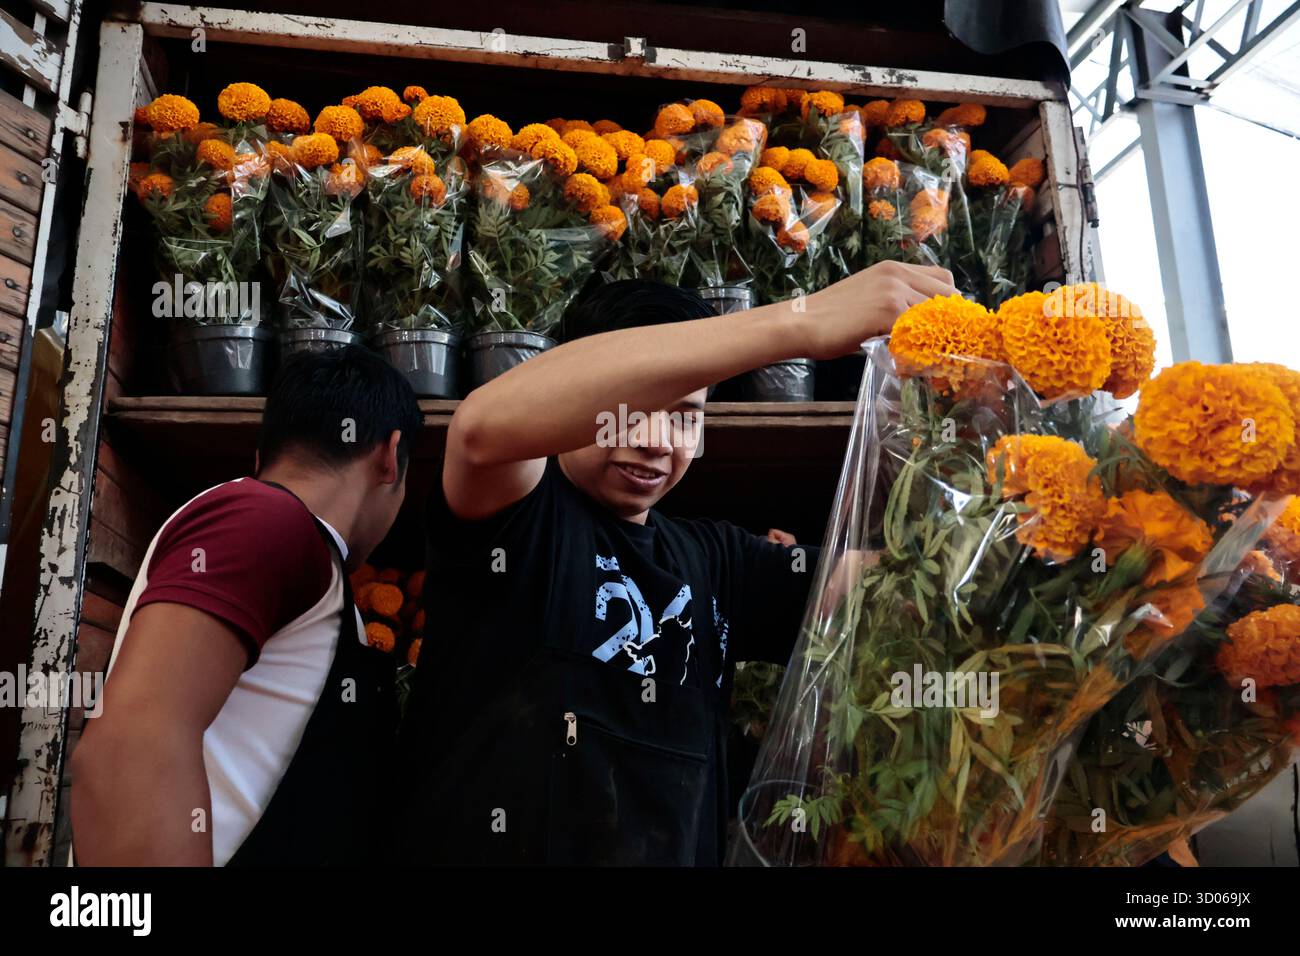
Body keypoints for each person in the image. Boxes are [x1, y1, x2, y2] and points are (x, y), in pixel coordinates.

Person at [399, 261, 957, 865]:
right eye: (633, 408)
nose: (657, 440)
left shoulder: (715, 562)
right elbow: (481, 429)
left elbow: (900, 584)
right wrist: (802, 321)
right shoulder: (521, 520)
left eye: (685, 414)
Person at [71, 346, 421, 866]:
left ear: (261, 456)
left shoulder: (309, 558)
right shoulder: (264, 518)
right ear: (390, 456)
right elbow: (128, 748)